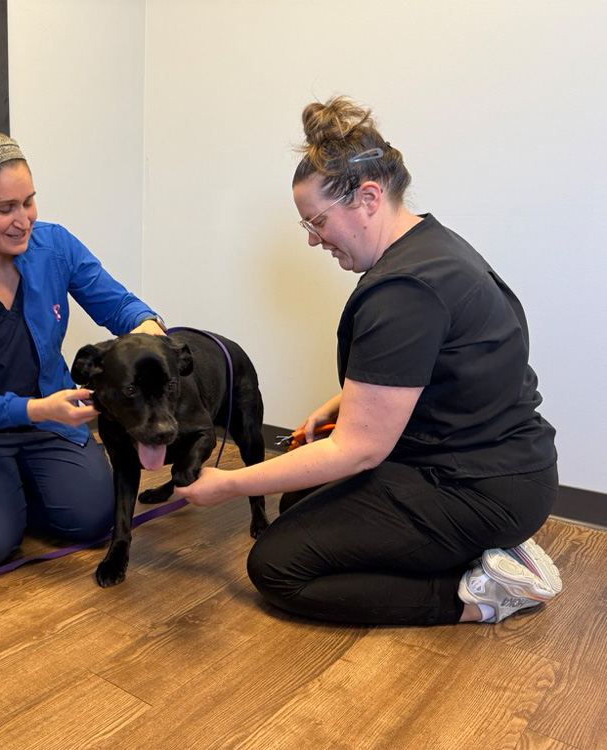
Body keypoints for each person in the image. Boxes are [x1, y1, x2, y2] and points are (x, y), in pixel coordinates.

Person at [175, 96, 562, 626]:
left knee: (278, 567)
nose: (313, 239)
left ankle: (482, 594)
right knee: (297, 501)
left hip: (479, 486)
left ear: (368, 197)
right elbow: (437, 364)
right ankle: (480, 549)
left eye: (316, 221)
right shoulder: (431, 245)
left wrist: (230, 482)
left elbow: (358, 450)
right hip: (501, 464)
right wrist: (342, 402)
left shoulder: (403, 290)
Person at [0, 120, 166, 570]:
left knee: (96, 519)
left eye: (28, 201)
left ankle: (11, 491)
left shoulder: (56, 246)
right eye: (5, 208)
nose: (23, 219)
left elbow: (120, 306)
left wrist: (151, 333)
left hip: (46, 420)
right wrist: (41, 410)